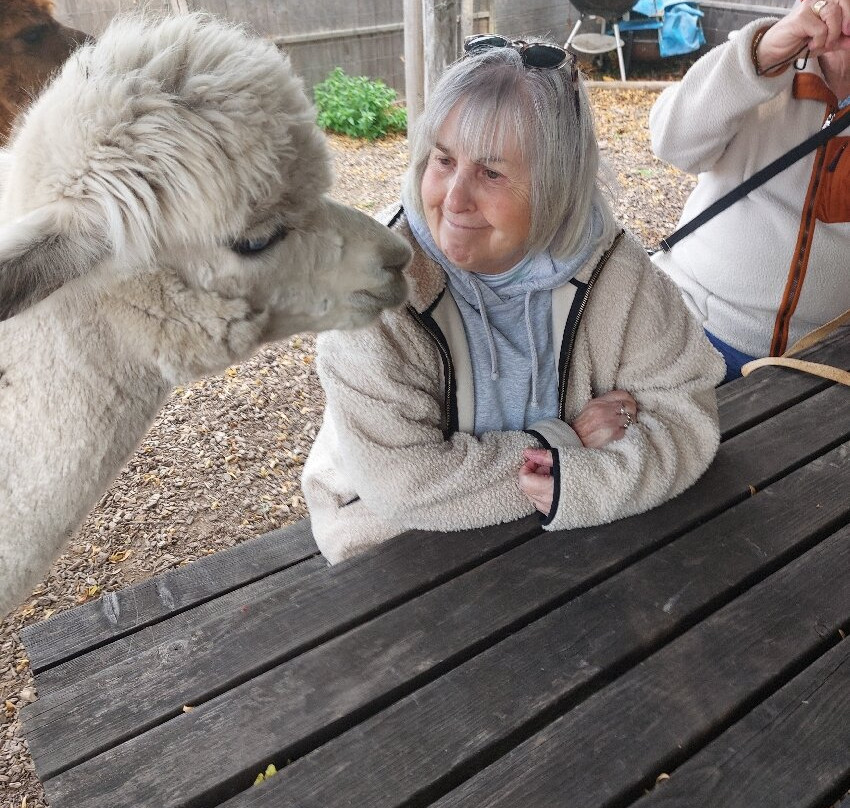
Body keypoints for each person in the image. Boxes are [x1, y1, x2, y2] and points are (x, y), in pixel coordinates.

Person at [302, 36, 724, 564]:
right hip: (390, 545)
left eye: (491, 172)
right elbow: (403, 483)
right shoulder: (372, 286)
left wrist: (591, 482)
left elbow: (688, 412)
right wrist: (563, 444)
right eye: (443, 159)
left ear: (557, 184)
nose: (453, 199)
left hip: (558, 540)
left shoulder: (612, 267)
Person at [649, 0, 850, 382]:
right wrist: (759, 57)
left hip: (811, 364)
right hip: (689, 325)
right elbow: (671, 143)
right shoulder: (766, 60)